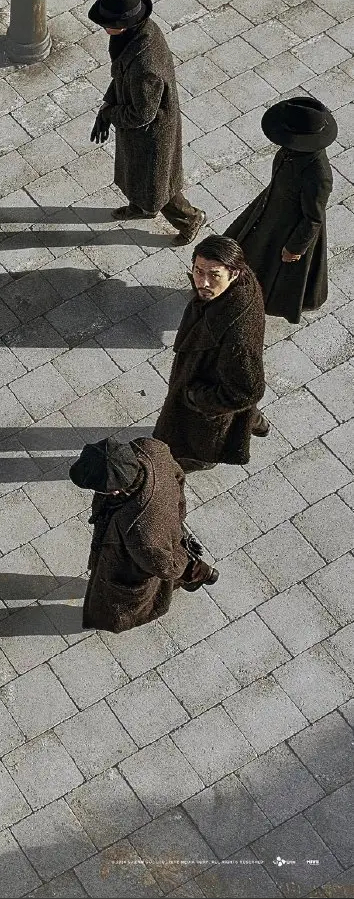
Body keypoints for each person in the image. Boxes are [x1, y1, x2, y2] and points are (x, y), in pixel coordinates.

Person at [88, 0, 205, 246]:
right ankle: (141, 207)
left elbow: (142, 115)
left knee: (158, 185)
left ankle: (189, 218)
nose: (104, 28)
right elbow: (121, 77)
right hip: (138, 130)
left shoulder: (145, 65)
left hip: (152, 134)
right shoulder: (136, 33)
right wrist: (109, 104)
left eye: (108, 23)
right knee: (137, 175)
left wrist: (110, 113)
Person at [69, 436, 218, 634]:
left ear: (115, 492)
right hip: (161, 530)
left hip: (137, 557)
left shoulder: (140, 532)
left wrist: (177, 551)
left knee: (114, 606)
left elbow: (168, 567)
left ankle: (197, 573)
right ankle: (200, 572)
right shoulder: (150, 448)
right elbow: (178, 475)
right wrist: (174, 518)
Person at [153, 235, 268, 473]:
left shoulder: (238, 337)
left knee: (197, 441)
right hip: (216, 375)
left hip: (207, 395)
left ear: (234, 273)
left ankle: (202, 460)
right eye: (198, 271)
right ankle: (255, 422)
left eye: (214, 275)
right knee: (240, 414)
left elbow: (248, 391)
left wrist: (196, 398)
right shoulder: (241, 282)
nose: (203, 282)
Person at [225, 96, 336, 324]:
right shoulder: (290, 152)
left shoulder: (318, 175)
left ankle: (249, 302)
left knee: (269, 271)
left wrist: (294, 248)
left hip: (286, 229)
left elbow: (313, 219)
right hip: (269, 211)